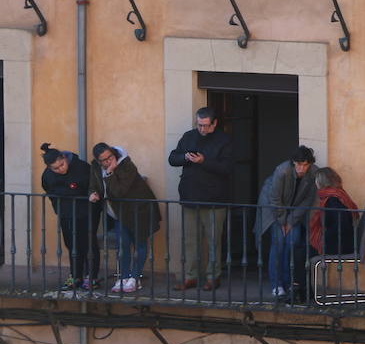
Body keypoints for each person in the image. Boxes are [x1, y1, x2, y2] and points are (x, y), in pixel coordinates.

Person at [168, 106, 234, 292]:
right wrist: (185, 157)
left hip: (215, 200)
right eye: (199, 125)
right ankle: (191, 277)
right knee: (190, 240)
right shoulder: (189, 136)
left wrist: (204, 161)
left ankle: (214, 277)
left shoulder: (224, 140)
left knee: (214, 241)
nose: (202, 129)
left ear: (214, 123)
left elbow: (227, 168)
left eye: (206, 126)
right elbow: (172, 158)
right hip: (189, 197)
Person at [87, 142, 161, 294]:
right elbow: (94, 184)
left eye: (110, 157)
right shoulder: (95, 167)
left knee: (139, 243)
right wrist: (93, 193)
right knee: (123, 244)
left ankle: (134, 278)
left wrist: (110, 173)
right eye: (104, 160)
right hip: (118, 213)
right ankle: (123, 277)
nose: (108, 161)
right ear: (98, 160)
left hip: (139, 210)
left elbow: (119, 191)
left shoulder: (127, 166)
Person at [40, 143, 100, 290]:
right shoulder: (47, 175)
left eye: (62, 164)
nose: (61, 169)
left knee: (88, 244)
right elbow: (49, 191)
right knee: (72, 245)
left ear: (64, 158)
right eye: (56, 168)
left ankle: (91, 277)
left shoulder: (82, 167)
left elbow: (94, 186)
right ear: (49, 168)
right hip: (66, 214)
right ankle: (75, 276)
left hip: (87, 212)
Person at [264, 146, 321, 302]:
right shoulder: (282, 171)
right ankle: (277, 284)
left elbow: (308, 200)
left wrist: (290, 221)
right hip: (276, 211)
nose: (301, 168)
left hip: (295, 215)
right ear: (293, 163)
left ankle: (290, 283)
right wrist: (282, 221)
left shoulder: (314, 173)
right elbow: (275, 199)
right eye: (298, 164)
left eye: (305, 165)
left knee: (293, 243)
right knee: (278, 244)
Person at [308, 166, 359, 257]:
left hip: (340, 244)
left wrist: (325, 237)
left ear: (321, 182)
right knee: (306, 246)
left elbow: (342, 224)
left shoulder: (332, 199)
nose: (315, 182)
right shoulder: (338, 194)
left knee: (303, 250)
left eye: (316, 179)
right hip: (344, 241)